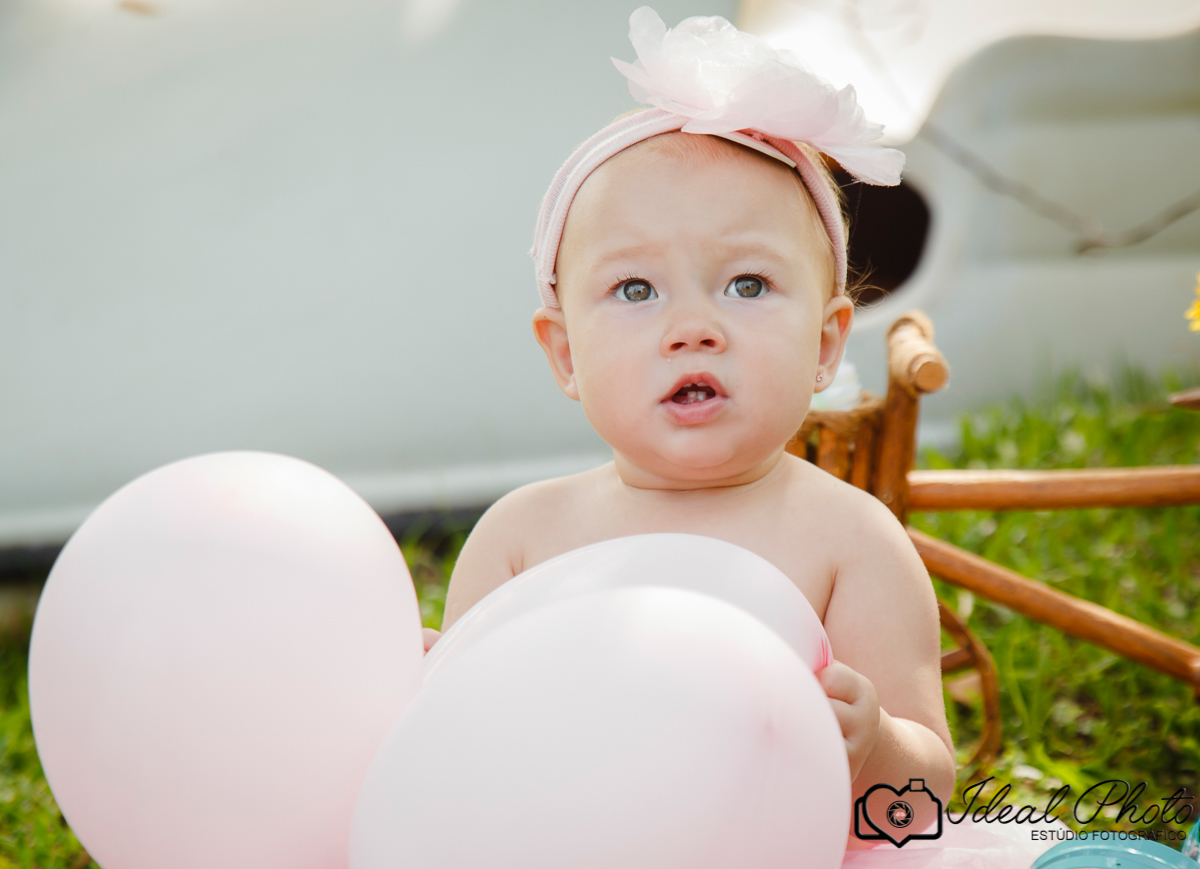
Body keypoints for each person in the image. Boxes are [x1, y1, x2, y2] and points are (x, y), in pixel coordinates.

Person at [425, 7, 955, 847]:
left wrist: (877, 744)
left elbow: (922, 802)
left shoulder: (851, 541)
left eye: (747, 285)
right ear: (565, 354)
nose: (693, 328)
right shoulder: (520, 540)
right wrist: (432, 697)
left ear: (826, 344)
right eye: (636, 290)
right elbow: (459, 768)